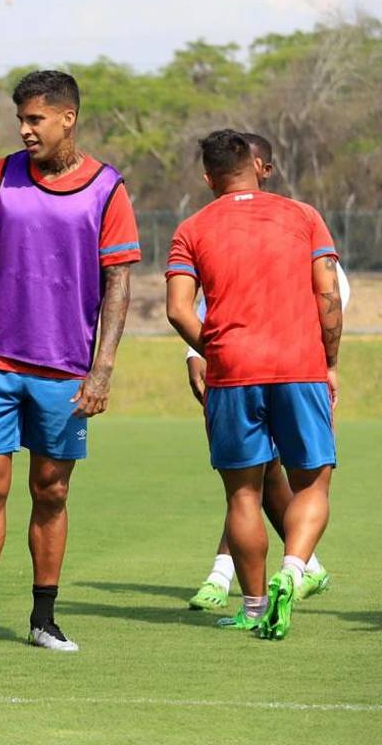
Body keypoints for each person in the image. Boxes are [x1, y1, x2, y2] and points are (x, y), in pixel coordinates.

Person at [0, 70, 138, 656]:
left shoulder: (107, 188)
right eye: (21, 121)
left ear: (67, 118)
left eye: (36, 120)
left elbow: (119, 282)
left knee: (51, 490)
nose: (26, 130)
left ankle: (44, 619)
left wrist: (101, 370)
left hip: (65, 367)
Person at [166, 129, 341, 640]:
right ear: (254, 165)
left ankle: (252, 606)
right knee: (311, 481)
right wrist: (328, 360)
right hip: (298, 365)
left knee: (243, 494)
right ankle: (295, 568)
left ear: (208, 177)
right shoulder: (303, 216)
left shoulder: (191, 228)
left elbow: (178, 309)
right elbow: (327, 292)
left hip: (233, 372)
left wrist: (217, 349)